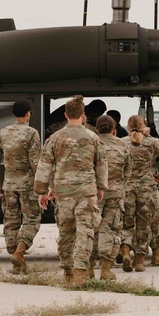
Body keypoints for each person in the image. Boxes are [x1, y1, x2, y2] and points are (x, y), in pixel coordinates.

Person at [34, 95, 108, 288]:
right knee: (85, 232)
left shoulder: (54, 138)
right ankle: (80, 273)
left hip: (63, 192)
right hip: (86, 191)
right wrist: (101, 187)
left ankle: (67, 271)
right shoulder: (93, 138)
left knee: (66, 232)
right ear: (83, 115)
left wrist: (42, 191)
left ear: (66, 115)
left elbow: (44, 166)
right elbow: (101, 164)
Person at [0, 100, 42, 273]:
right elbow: (36, 162)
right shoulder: (32, 133)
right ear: (28, 114)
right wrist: (43, 185)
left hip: (8, 185)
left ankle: (16, 260)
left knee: (11, 221)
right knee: (31, 219)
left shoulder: (3, 133)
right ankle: (19, 252)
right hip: (28, 186)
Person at [120, 115, 159, 272]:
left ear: (128, 127)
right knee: (143, 224)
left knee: (126, 223)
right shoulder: (152, 142)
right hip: (147, 189)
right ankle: (140, 261)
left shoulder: (122, 143)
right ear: (143, 125)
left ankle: (125, 252)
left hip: (127, 188)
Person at [88, 114, 131, 280]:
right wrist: (119, 184)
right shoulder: (122, 145)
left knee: (91, 228)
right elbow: (128, 169)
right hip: (115, 192)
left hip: (94, 192)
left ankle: (89, 268)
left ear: (97, 129)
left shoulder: (92, 143)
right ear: (114, 130)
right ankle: (106, 269)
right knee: (110, 229)